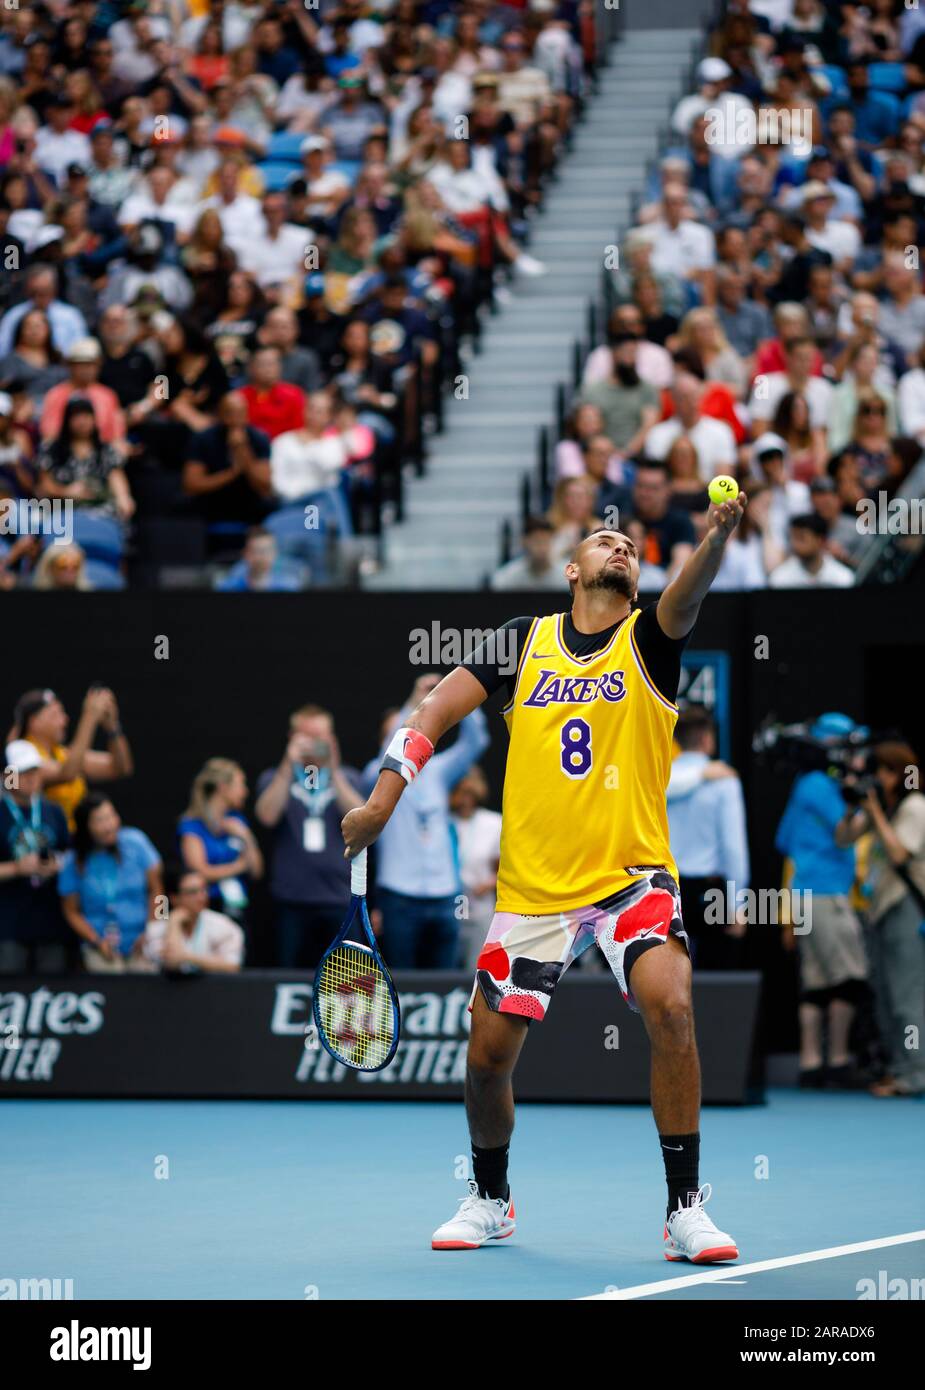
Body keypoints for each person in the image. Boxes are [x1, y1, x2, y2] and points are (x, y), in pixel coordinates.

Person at [342, 488, 748, 1260]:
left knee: (671, 1007)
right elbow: (431, 713)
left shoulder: (650, 641)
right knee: (487, 1058)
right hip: (534, 891)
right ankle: (490, 1197)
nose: (618, 548)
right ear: (570, 569)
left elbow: (688, 594)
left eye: (628, 545)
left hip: (632, 878)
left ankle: (685, 1207)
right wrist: (381, 800)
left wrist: (716, 539)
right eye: (602, 541)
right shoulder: (522, 641)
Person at [360, 675, 489, 970]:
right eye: (401, 733)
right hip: (399, 896)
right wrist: (417, 702)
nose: (408, 735)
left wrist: (457, 692)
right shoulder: (375, 773)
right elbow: (392, 752)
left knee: (443, 983)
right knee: (402, 980)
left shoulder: (439, 772)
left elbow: (476, 741)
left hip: (445, 896)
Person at [776, 714, 872, 1089]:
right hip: (825, 895)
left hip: (804, 895)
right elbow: (846, 835)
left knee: (816, 984)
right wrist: (870, 806)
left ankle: (811, 1063)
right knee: (849, 978)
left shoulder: (806, 784)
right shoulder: (821, 785)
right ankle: (837, 1062)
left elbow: (785, 842)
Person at [255, 705, 364, 969]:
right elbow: (267, 816)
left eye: (321, 737)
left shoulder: (348, 777)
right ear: (293, 737)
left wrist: (333, 768)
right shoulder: (274, 777)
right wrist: (287, 764)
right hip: (292, 899)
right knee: (289, 975)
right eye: (307, 737)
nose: (314, 744)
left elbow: (361, 819)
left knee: (346, 980)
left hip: (339, 897)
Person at [666, 708, 750, 970]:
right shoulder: (724, 780)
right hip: (710, 893)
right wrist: (738, 903)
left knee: (668, 983)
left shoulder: (658, 776)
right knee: (716, 988)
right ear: (705, 738)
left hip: (666, 891)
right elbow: (733, 848)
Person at [58, 792, 162, 973]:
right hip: (101, 945)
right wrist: (96, 941)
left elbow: (159, 893)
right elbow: (70, 911)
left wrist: (153, 931)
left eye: (111, 816)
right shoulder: (73, 861)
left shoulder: (136, 842)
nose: (109, 826)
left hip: (142, 941)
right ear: (85, 827)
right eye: (99, 820)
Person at [9, 685, 134, 831]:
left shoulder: (62, 753)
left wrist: (113, 727)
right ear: (34, 721)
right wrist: (90, 717)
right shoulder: (19, 755)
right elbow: (67, 773)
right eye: (55, 715)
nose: (65, 720)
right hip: (39, 840)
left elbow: (121, 768)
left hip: (75, 844)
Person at [0, 739, 70, 972]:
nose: (30, 777)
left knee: (51, 987)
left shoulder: (53, 811)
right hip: (8, 925)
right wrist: (16, 869)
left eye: (34, 770)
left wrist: (58, 864)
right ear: (6, 776)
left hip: (50, 920)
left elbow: (70, 855)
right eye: (21, 772)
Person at [179, 758, 263, 925]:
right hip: (208, 907)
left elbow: (257, 870)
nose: (245, 791)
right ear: (223, 788)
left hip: (236, 906)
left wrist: (246, 837)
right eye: (240, 785)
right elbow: (200, 872)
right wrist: (239, 866)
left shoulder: (237, 822)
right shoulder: (192, 826)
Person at [143, 867, 244, 974]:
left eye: (204, 890)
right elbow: (172, 964)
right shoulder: (157, 929)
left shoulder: (224, 924)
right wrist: (174, 923)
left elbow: (233, 966)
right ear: (174, 898)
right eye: (192, 892)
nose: (202, 897)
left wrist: (187, 957)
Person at [450, 766, 502, 972]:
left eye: (470, 794)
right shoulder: (442, 821)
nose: (465, 800)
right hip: (450, 905)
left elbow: (504, 870)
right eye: (461, 793)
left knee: (477, 967)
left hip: (480, 906)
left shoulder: (492, 822)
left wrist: (489, 884)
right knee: (449, 965)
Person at [769, 514, 855, 589]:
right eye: (793, 538)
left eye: (801, 538)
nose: (795, 545)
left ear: (820, 541)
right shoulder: (780, 579)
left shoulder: (843, 578)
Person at [490, 516, 562, 591]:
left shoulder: (567, 579)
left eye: (546, 541)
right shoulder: (507, 578)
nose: (542, 548)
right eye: (537, 541)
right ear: (524, 542)